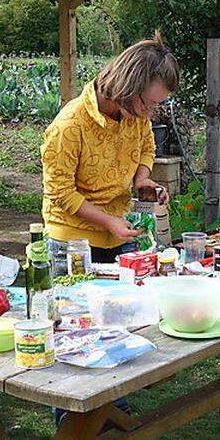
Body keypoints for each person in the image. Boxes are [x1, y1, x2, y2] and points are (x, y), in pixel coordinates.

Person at [40, 33, 179, 266]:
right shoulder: (69, 125)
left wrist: (142, 178)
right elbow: (61, 192)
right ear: (127, 87)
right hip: (71, 244)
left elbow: (147, 146)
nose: (149, 113)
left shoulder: (135, 114)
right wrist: (107, 221)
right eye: (147, 103)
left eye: (156, 104)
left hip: (119, 235)